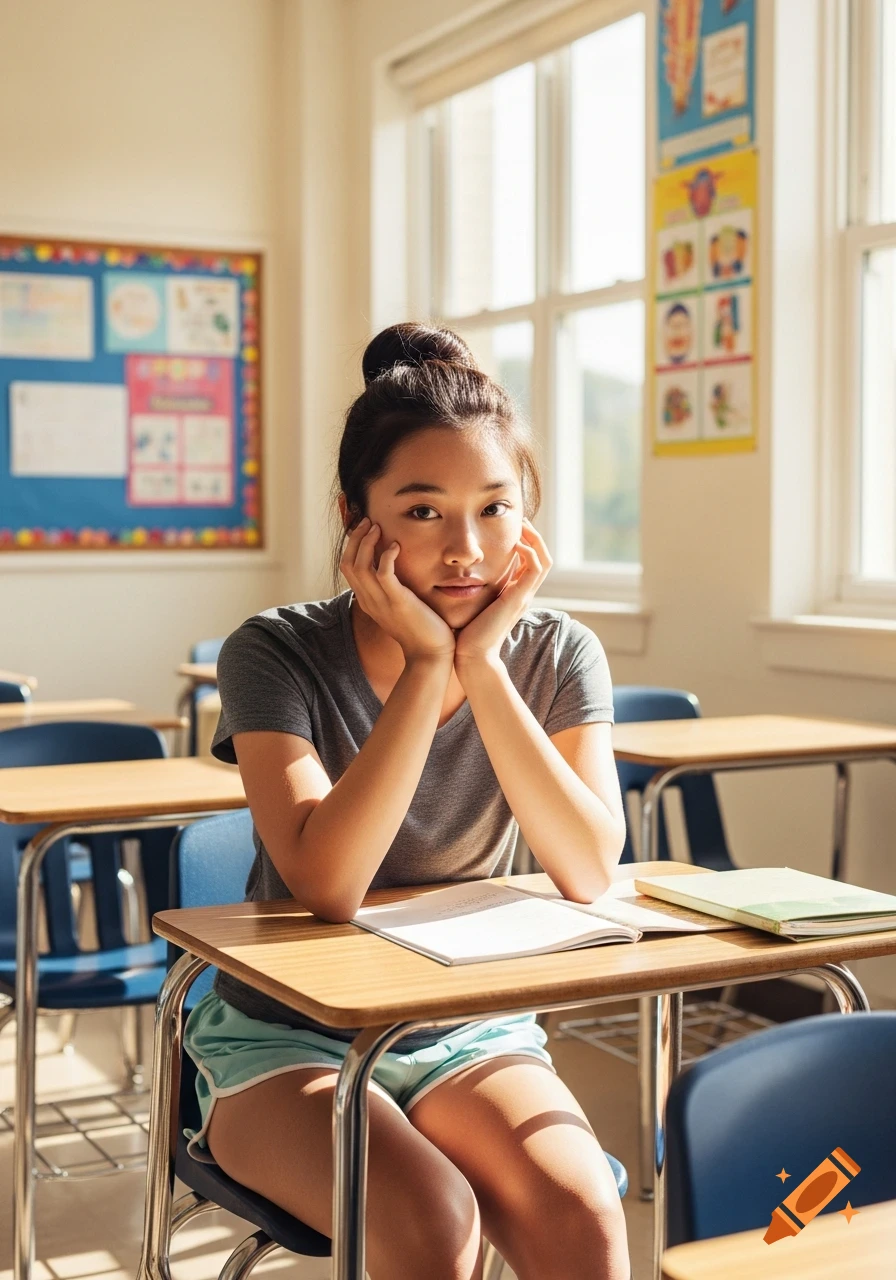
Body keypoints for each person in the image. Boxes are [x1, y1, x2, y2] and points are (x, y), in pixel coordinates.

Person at [183, 323, 631, 1279]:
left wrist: (483, 663)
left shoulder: (556, 651)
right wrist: (431, 663)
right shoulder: (274, 651)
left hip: (467, 1023)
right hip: (283, 1036)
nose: (466, 551)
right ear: (357, 517)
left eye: (495, 509)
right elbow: (328, 885)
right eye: (423, 511)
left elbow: (590, 868)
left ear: (530, 515)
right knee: (434, 1224)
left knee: (585, 1210)